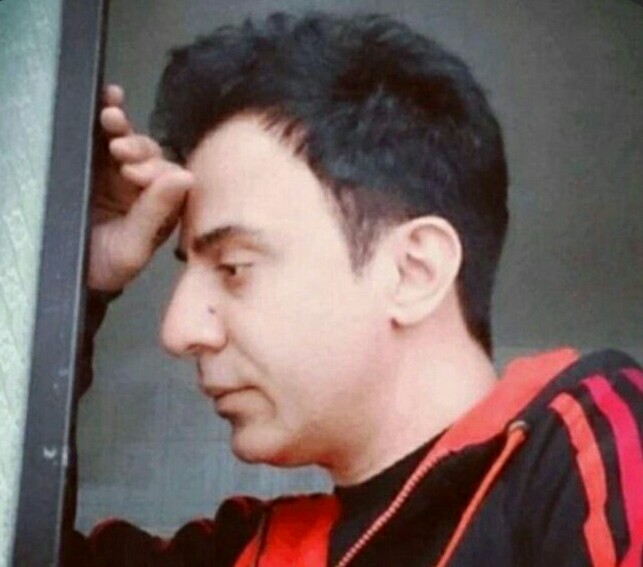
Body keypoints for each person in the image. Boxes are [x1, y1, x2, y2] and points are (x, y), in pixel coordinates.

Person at [69, 12, 642, 566]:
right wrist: (70, 279)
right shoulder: (253, 548)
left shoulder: (583, 446)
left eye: (234, 267)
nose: (177, 331)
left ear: (414, 271)